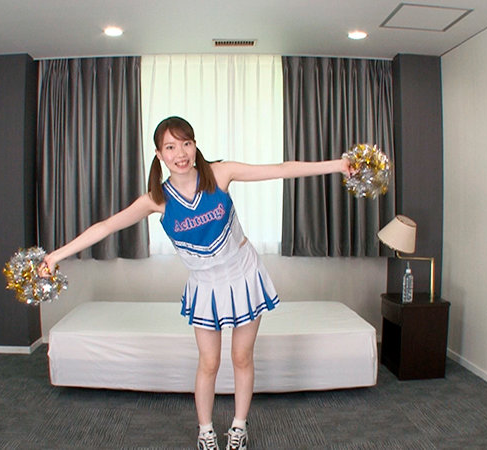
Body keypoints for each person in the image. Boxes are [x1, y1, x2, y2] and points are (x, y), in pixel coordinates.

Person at [41, 116, 354, 450]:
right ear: (159, 154)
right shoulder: (157, 199)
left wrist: (338, 165)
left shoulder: (219, 174)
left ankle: (239, 426)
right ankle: (205, 430)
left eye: (186, 143)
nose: (180, 153)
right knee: (209, 362)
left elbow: (280, 169)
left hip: (243, 275)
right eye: (170, 147)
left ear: (195, 145)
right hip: (206, 285)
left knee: (242, 357)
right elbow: (106, 227)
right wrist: (56, 256)